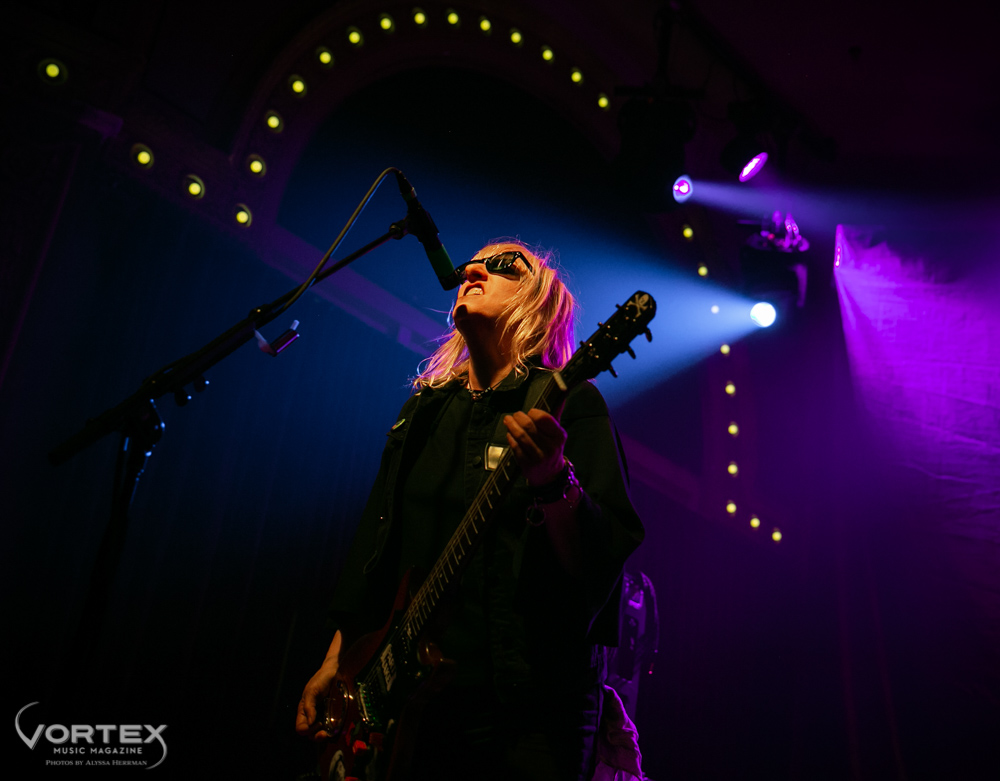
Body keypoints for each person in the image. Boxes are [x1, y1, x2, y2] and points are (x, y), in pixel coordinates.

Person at [296, 240, 644, 780]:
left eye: (505, 265)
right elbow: (377, 552)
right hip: (418, 709)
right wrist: (335, 663)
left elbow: (599, 563)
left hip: (526, 714)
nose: (473, 269)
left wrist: (555, 482)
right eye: (470, 265)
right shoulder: (422, 414)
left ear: (540, 302)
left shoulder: (572, 403)